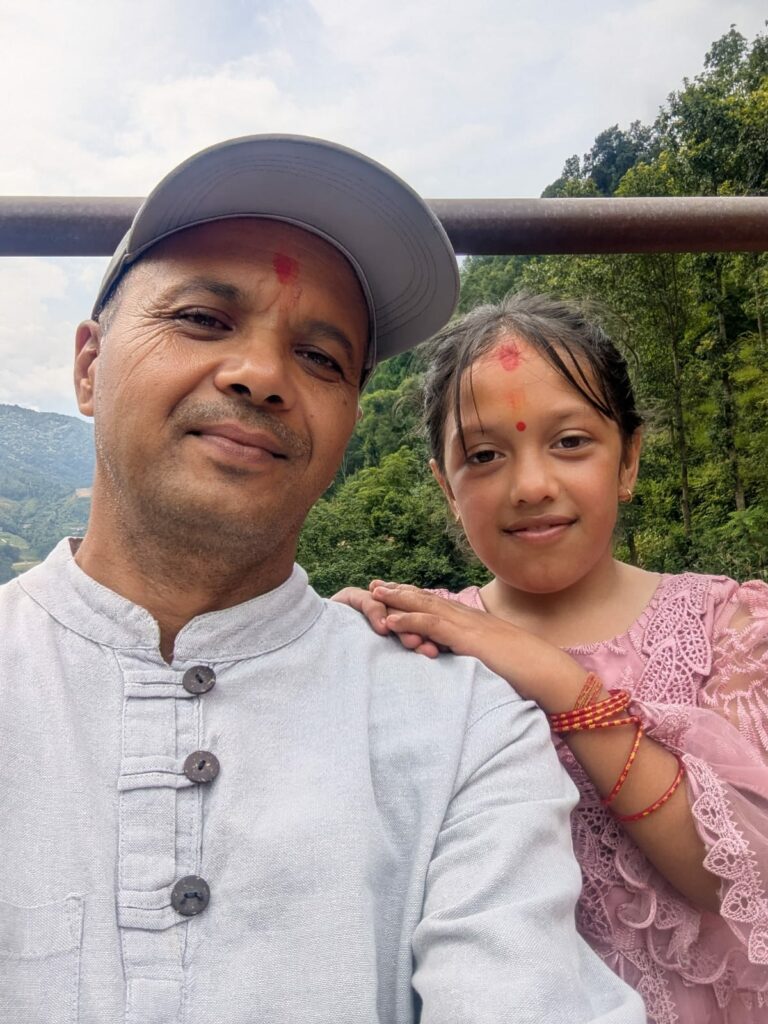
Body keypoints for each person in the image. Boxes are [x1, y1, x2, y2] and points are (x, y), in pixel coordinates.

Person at [0, 140, 644, 1024]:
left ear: (348, 425)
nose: (262, 375)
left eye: (320, 358)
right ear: (88, 365)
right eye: (203, 319)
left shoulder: (466, 724)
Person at [335, 293, 768, 1023]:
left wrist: (558, 682)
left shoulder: (729, 627)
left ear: (628, 459)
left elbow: (732, 876)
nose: (532, 485)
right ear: (446, 488)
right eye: (483, 456)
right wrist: (342, 645)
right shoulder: (423, 639)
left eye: (570, 442)